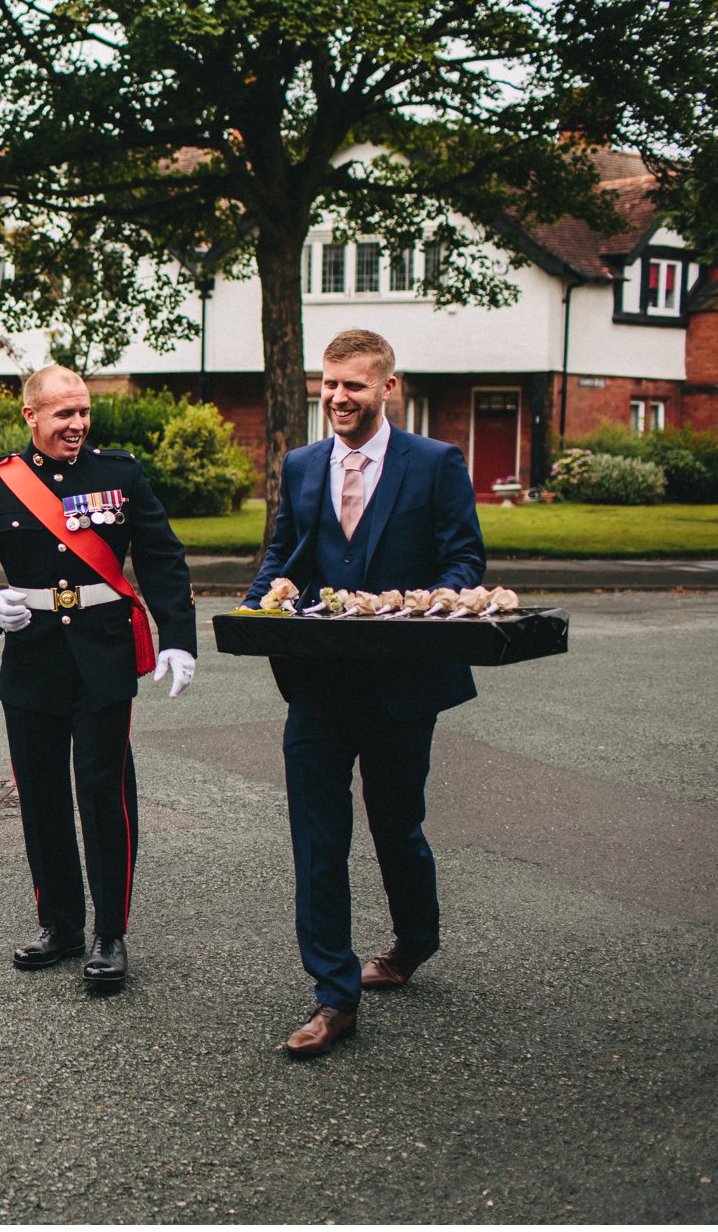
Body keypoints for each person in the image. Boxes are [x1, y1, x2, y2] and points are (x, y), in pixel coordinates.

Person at [242, 328, 486, 1056]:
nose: (338, 396)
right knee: (317, 838)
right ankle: (333, 995)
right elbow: (284, 555)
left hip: (402, 684)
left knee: (395, 825)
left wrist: (427, 605)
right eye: (331, 382)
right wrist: (255, 608)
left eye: (354, 384)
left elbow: (463, 557)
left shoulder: (436, 463)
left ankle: (414, 940)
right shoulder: (303, 464)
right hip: (317, 684)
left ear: (388, 388)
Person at [0, 365, 197, 991]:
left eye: (84, 412)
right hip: (32, 656)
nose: (78, 425)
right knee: (42, 798)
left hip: (104, 654)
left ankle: (111, 933)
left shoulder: (120, 474)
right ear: (31, 416)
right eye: (64, 414)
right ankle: (60, 925)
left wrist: (180, 639)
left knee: (104, 797)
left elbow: (163, 558)